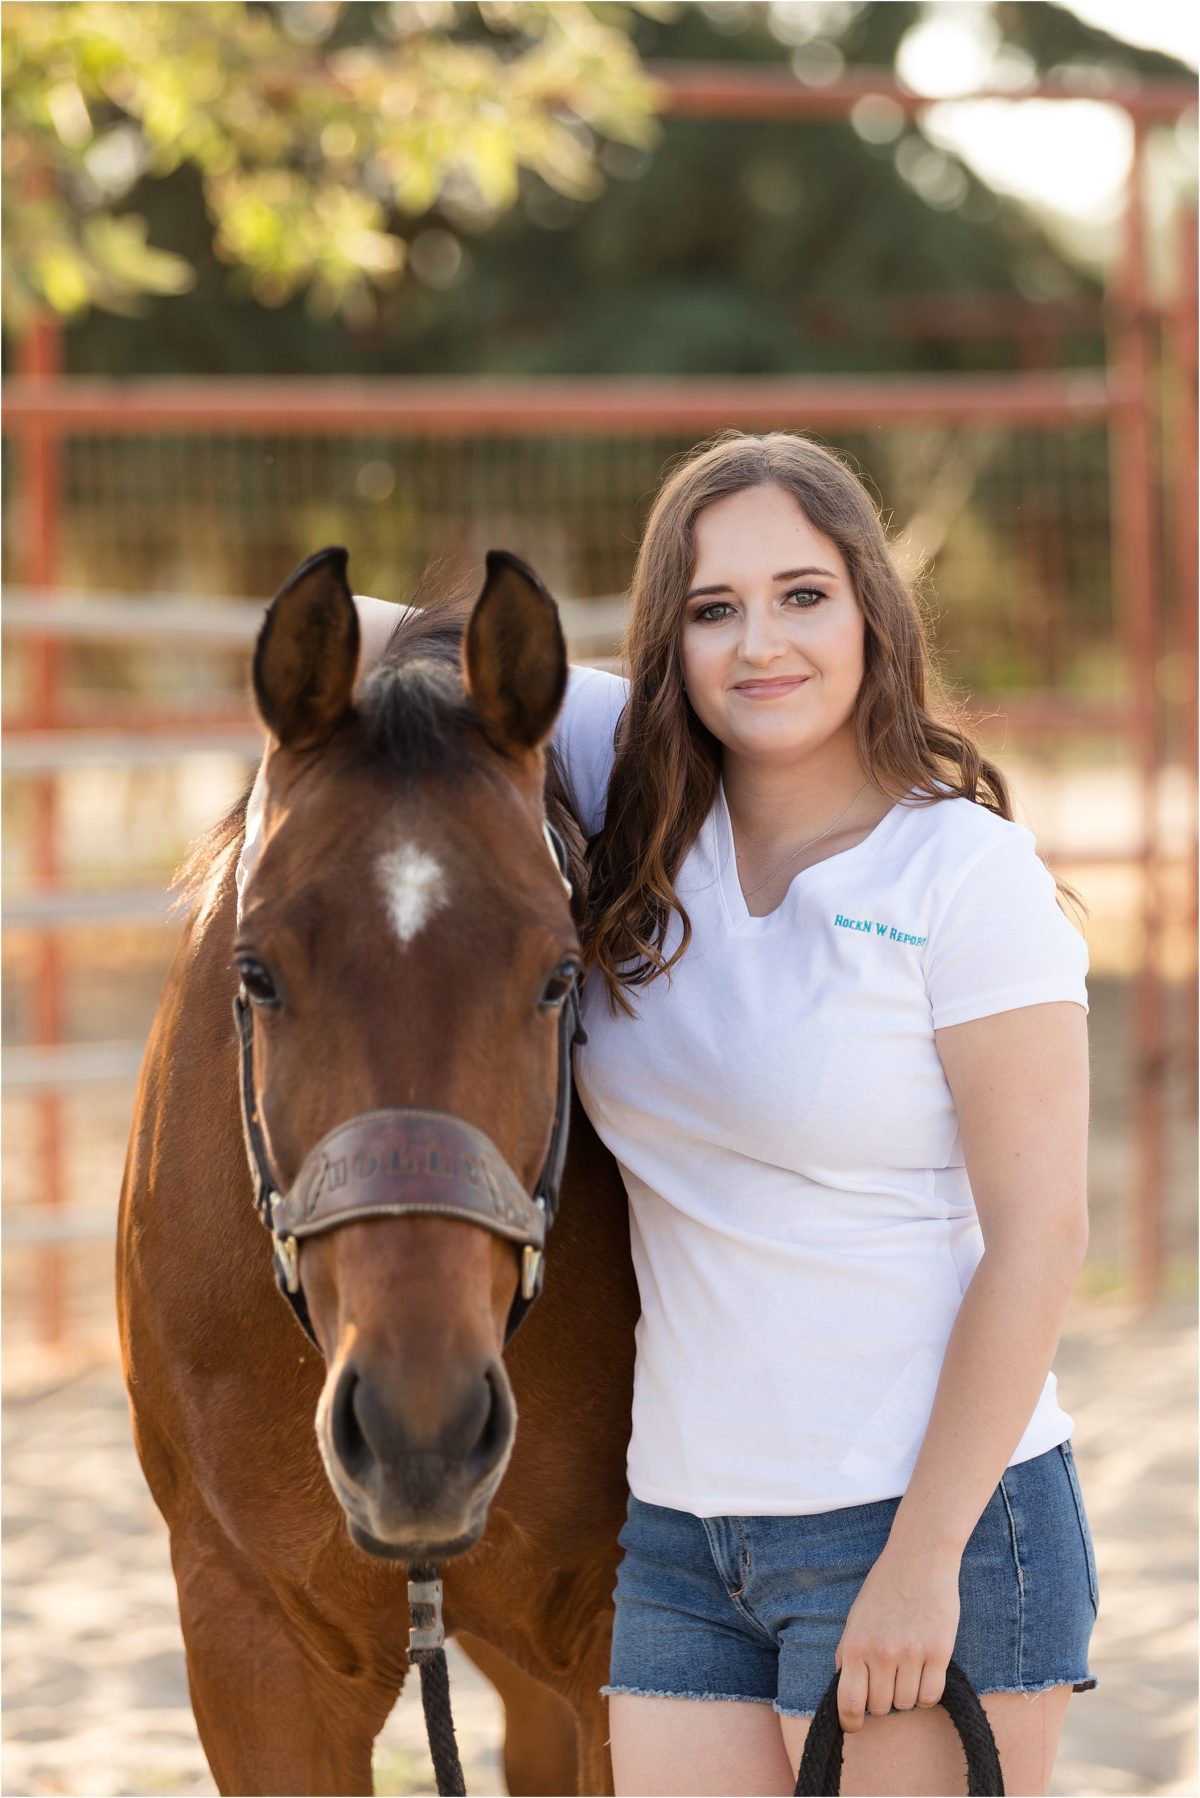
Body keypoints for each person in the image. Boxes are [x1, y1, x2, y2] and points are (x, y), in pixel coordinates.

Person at [238, 431, 1099, 1797]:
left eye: (803, 594)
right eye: (714, 608)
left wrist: (925, 1558)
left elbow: (1041, 1235)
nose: (762, 643)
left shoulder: (965, 873)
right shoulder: (630, 782)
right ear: (667, 647)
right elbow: (381, 665)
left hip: (924, 1522)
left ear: (871, 607)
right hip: (690, 1548)